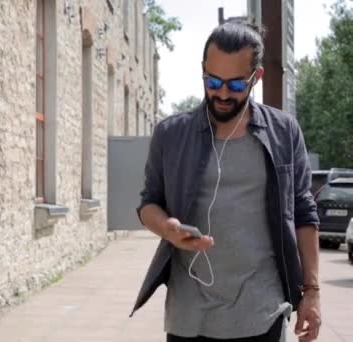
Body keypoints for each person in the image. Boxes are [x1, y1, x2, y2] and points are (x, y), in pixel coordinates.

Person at [129, 22, 321, 342]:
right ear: (203, 71)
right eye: (213, 81)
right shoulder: (171, 134)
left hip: (263, 313)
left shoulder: (284, 132)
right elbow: (149, 202)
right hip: (189, 316)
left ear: (255, 78)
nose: (221, 93)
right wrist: (168, 229)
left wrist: (312, 292)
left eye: (234, 85)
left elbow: (304, 212)